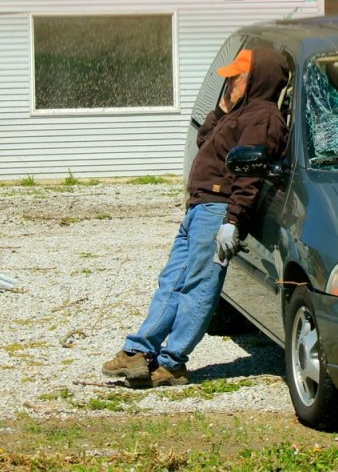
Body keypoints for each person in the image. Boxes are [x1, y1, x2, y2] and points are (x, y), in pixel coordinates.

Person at [101, 45, 289, 387]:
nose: (229, 81)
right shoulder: (239, 112)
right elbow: (205, 140)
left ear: (256, 78)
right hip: (200, 207)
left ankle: (172, 364)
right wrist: (222, 108)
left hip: (218, 211)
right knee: (172, 281)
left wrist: (232, 222)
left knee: (200, 286)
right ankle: (139, 353)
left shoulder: (262, 117)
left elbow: (249, 175)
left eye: (236, 77)